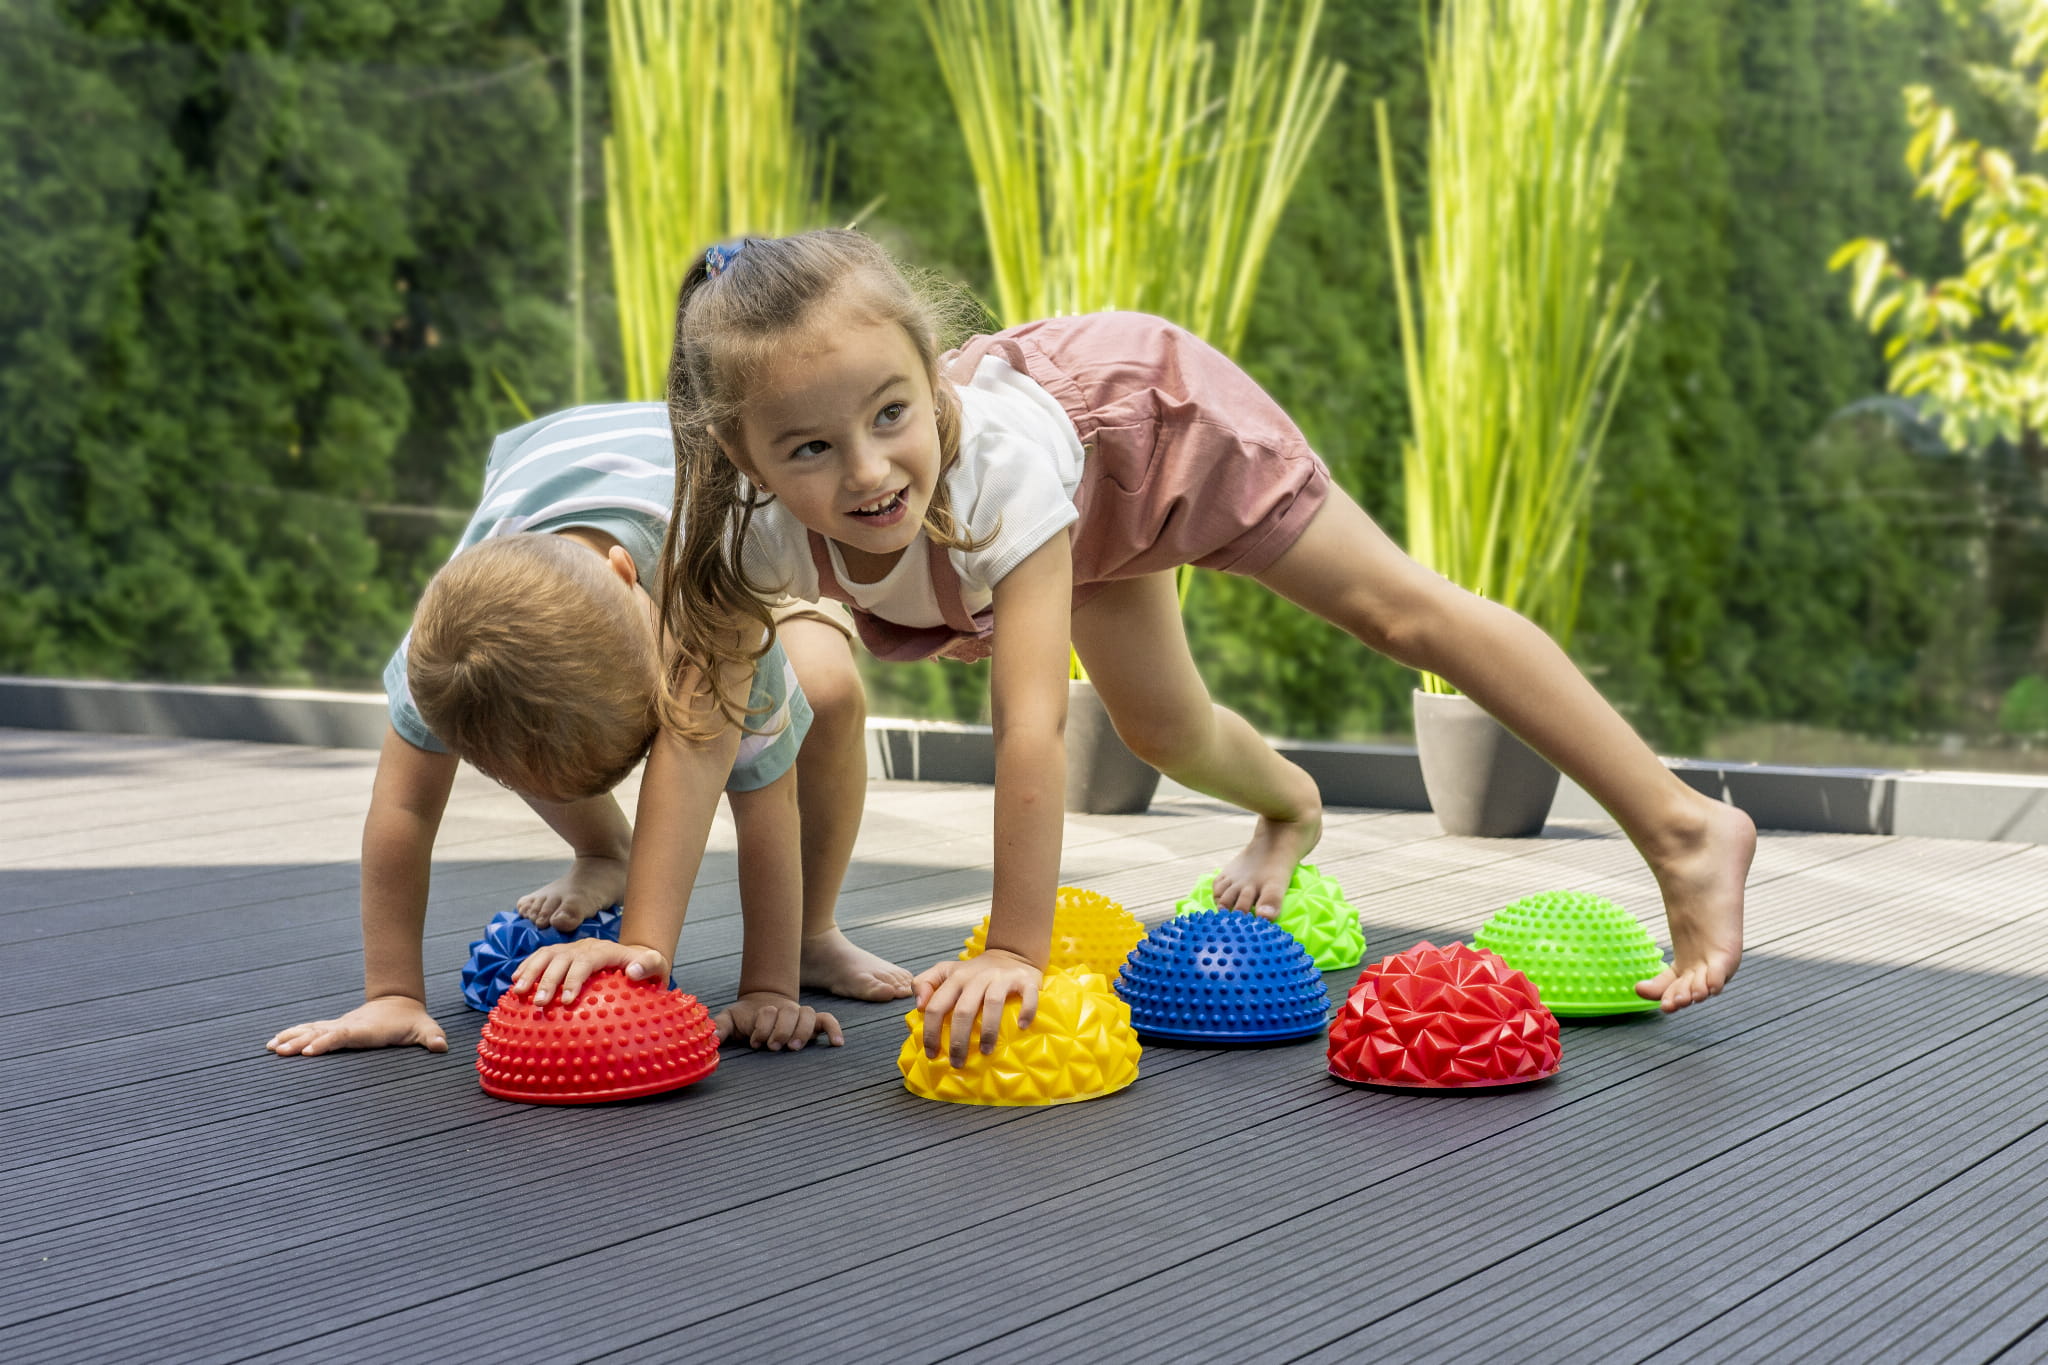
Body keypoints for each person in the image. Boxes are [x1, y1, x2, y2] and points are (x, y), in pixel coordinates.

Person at [531, 228, 1756, 1066]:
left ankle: (1680, 826)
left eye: (890, 414)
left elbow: (1027, 725)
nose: (864, 471)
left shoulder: (988, 462)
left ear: (930, 384)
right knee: (1162, 730)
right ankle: (1288, 808)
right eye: (808, 448)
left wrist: (1015, 948)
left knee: (1394, 611)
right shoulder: (742, 531)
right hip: (1060, 514)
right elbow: (699, 736)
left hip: (1145, 428)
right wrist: (644, 945)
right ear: (742, 458)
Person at [265, 403, 911, 1060]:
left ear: (626, 575)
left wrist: (768, 988)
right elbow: (404, 805)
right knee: (529, 727)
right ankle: (608, 853)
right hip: (558, 481)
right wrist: (393, 992)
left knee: (827, 694)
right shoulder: (449, 650)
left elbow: (765, 803)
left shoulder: (717, 598)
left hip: (753, 508)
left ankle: (811, 933)